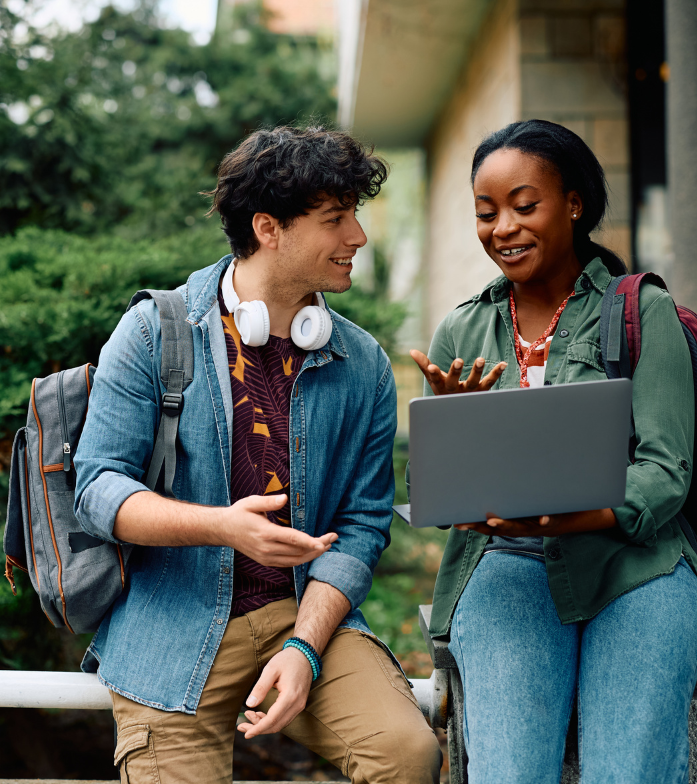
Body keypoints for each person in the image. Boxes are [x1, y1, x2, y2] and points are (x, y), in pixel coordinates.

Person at [75, 126, 441, 784]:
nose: (357, 236)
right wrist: (220, 525)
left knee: (407, 754)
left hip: (304, 614)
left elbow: (362, 526)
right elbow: (98, 490)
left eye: (354, 214)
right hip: (172, 625)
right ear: (268, 228)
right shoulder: (153, 332)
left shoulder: (363, 365)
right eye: (335, 218)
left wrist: (304, 644)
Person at [410, 120, 697, 784]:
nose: (502, 229)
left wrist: (569, 518)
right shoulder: (462, 327)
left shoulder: (641, 311)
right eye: (486, 213)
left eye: (525, 205)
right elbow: (434, 490)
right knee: (511, 773)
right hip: (507, 567)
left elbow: (667, 474)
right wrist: (448, 437)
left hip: (638, 569)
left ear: (574, 203)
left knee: (628, 773)